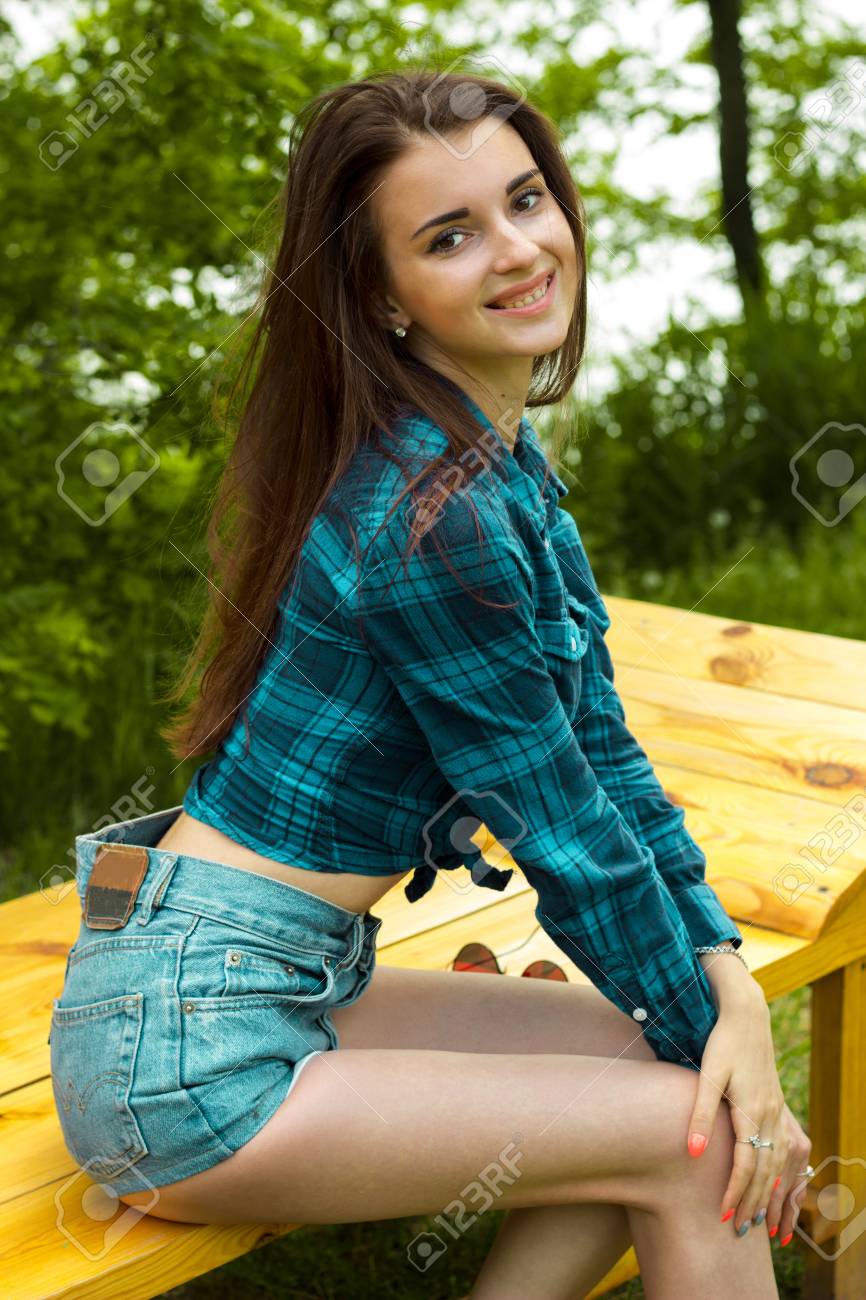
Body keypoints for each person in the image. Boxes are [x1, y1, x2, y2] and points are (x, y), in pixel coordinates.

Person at [50, 68, 810, 1298]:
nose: (517, 251)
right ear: (379, 293)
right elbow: (566, 839)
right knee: (698, 1131)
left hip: (264, 981)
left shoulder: (498, 474)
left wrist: (722, 985)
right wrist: (743, 1075)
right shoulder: (431, 522)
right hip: (189, 1052)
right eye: (450, 236)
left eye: (525, 201)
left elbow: (603, 766)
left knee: (662, 1061)